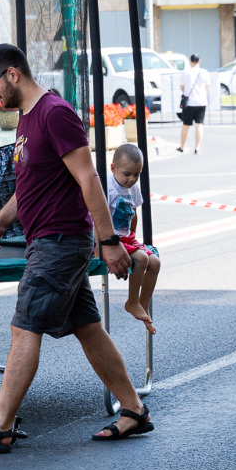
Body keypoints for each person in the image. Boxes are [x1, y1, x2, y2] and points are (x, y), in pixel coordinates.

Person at [0, 44, 151, 448]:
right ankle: (134, 410)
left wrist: (109, 242)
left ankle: (0, 424)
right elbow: (31, 185)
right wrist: (0, 222)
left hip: (60, 240)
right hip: (48, 239)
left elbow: (89, 179)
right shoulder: (26, 119)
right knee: (88, 328)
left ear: (13, 74)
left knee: (25, 327)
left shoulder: (55, 114)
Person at [108, 143, 160, 335]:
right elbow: (96, 218)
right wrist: (99, 246)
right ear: (113, 168)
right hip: (111, 239)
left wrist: (133, 237)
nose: (132, 179)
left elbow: (134, 213)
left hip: (126, 237)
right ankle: (131, 301)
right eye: (127, 174)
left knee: (154, 262)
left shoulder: (134, 187)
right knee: (142, 258)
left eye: (137, 174)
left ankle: (142, 303)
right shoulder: (108, 187)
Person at [178, 53, 208, 154]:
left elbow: (181, 87)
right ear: (199, 61)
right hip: (201, 102)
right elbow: (206, 86)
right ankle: (197, 147)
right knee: (199, 125)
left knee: (186, 125)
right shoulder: (204, 72)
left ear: (190, 61)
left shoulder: (186, 72)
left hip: (189, 102)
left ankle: (182, 147)